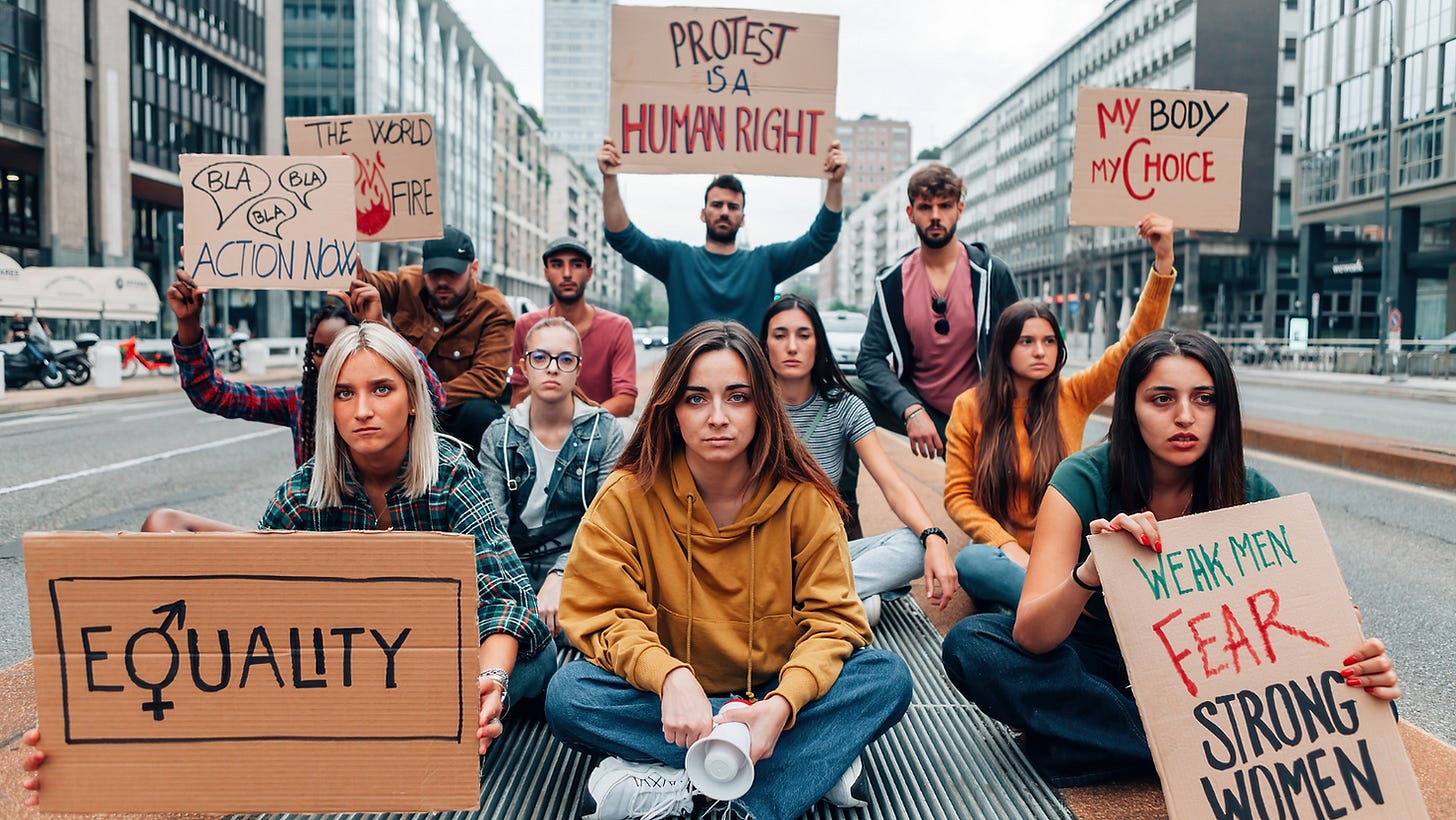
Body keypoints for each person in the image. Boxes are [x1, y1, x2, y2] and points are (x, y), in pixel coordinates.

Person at [22, 323, 553, 806]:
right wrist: (91, 719)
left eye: (381, 389)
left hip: (483, 657)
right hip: (378, 667)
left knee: (466, 683)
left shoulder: (452, 474)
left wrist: (488, 681)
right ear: (328, 407)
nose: (362, 409)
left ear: (413, 401)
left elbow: (508, 600)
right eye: (345, 393)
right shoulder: (304, 493)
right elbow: (253, 616)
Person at [940, 329, 1402, 787]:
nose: (1185, 416)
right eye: (1161, 399)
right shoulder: (1081, 478)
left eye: (1204, 399)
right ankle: (1180, 751)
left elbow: (1316, 627)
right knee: (973, 644)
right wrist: (1091, 571)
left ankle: (1094, 748)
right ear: (1130, 408)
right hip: (1095, 662)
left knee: (1373, 703)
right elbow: (1032, 636)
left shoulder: (1251, 492)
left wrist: (1358, 656)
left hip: (1207, 674)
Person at [544, 322, 911, 820]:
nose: (718, 417)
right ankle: (808, 763)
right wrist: (669, 675)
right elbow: (599, 613)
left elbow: (834, 623)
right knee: (569, 696)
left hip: (774, 694)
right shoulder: (627, 496)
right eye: (696, 399)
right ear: (671, 411)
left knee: (884, 677)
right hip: (673, 703)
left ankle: (704, 796)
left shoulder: (806, 500)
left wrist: (781, 705)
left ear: (763, 406)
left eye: (737, 397)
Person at [943, 213, 1177, 612]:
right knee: (971, 562)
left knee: (1012, 615)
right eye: (1027, 341)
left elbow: (1132, 346)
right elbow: (958, 496)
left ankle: (1047, 612)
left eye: (1050, 341)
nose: (1040, 351)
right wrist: (1007, 546)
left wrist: (1163, 262)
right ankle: (1065, 614)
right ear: (1004, 348)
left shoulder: (1073, 395)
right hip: (1004, 558)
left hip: (1070, 561)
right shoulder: (970, 407)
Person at [759, 295, 956, 623]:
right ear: (764, 345)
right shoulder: (747, 406)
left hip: (821, 558)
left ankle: (800, 603)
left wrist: (933, 536)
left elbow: (891, 485)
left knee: (915, 547)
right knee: (866, 611)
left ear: (818, 344)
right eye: (779, 335)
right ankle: (840, 601)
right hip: (757, 553)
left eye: (803, 335)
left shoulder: (845, 407)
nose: (791, 346)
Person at [167, 270, 446, 467]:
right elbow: (212, 394)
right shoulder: (300, 405)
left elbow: (433, 397)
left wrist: (379, 326)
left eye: (339, 347)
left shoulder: (450, 477)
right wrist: (189, 324)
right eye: (319, 350)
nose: (328, 360)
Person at [597, 138, 848, 341]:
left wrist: (835, 184)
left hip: (749, 389)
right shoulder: (677, 259)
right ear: (703, 214)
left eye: (733, 206)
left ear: (743, 218)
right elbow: (623, 237)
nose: (725, 211)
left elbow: (819, 241)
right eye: (717, 205)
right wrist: (610, 178)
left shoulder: (765, 263)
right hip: (686, 388)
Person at [856, 162, 1021, 460]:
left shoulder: (992, 273)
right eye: (924, 207)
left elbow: (1022, 346)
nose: (935, 216)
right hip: (923, 409)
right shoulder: (892, 282)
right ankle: (844, 504)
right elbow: (869, 359)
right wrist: (910, 408)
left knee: (981, 505)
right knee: (842, 394)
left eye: (944, 206)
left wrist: (1006, 414)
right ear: (910, 214)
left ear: (960, 209)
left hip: (981, 417)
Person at [480, 317, 626, 640]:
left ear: (578, 369)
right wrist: (519, 597)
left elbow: (607, 527)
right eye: (540, 358)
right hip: (512, 572)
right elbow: (492, 532)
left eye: (565, 360)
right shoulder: (499, 437)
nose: (552, 368)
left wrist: (561, 574)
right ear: (524, 366)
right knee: (512, 637)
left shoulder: (604, 433)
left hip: (582, 569)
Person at [355, 225, 516, 450]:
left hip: (455, 412)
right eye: (434, 273)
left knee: (481, 412)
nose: (442, 282)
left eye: (452, 273)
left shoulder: (494, 309)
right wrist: (348, 266)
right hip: (405, 410)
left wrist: (426, 397)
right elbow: (363, 283)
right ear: (423, 267)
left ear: (474, 268)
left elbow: (488, 378)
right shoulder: (406, 284)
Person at [510, 236, 638, 417]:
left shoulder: (618, 327)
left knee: (626, 429)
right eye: (557, 265)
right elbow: (518, 398)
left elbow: (625, 399)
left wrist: (579, 423)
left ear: (589, 273)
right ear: (546, 273)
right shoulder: (527, 325)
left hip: (597, 429)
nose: (567, 273)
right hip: (542, 426)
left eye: (577, 265)